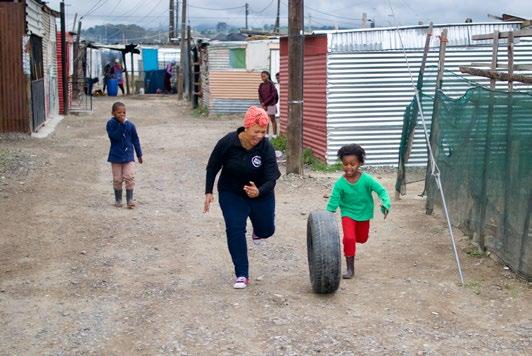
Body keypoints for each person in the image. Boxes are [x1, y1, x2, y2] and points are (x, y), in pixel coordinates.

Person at [204, 106, 281, 289]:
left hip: (261, 192)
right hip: (231, 192)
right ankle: (242, 274)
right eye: (256, 131)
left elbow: (272, 177)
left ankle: (258, 232)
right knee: (235, 229)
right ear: (246, 127)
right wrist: (208, 192)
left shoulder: (266, 147)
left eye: (263, 132)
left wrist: (259, 191)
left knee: (267, 230)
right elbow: (212, 166)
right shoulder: (228, 142)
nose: (260, 136)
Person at [326, 144, 390, 279]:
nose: (348, 167)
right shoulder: (340, 183)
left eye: (352, 164)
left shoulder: (367, 180)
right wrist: (327, 214)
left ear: (360, 163)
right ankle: (350, 269)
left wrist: (385, 203)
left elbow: (381, 191)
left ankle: (352, 242)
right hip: (348, 213)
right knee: (349, 238)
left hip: (364, 214)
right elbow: (334, 199)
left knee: (362, 238)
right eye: (345, 164)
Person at [106, 102, 143, 209]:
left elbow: (135, 140)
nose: (122, 115)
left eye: (124, 112)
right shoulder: (110, 124)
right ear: (113, 113)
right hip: (116, 156)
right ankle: (118, 200)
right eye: (119, 113)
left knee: (130, 177)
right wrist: (121, 125)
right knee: (117, 179)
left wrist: (139, 154)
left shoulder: (130, 125)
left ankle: (130, 200)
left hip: (128, 156)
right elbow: (114, 137)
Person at [258, 71, 279, 137]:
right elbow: (260, 95)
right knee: (265, 119)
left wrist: (265, 102)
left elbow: (273, 95)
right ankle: (266, 134)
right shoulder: (261, 85)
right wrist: (262, 103)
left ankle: (274, 135)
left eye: (264, 76)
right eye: (261, 76)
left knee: (272, 119)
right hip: (264, 105)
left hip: (271, 104)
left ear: (268, 75)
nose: (263, 78)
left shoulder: (271, 84)